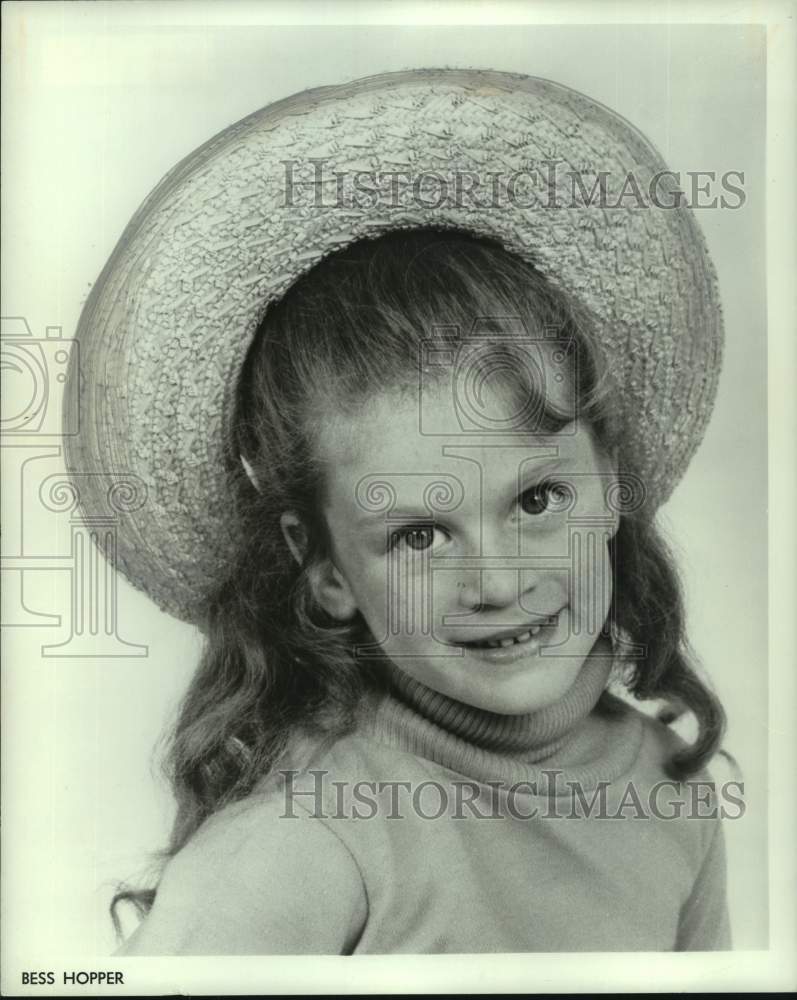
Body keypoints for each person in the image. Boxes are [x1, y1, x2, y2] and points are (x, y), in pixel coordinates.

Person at [64, 69, 731, 954]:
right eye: (419, 534)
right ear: (326, 569)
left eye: (536, 500)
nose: (496, 581)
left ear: (609, 484)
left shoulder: (672, 790)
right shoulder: (300, 847)